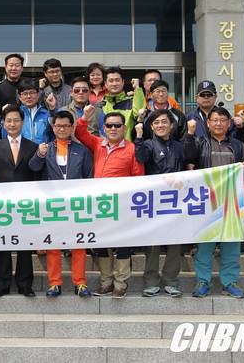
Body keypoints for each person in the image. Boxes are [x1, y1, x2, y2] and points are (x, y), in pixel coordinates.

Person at [75, 106, 145, 298]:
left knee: (123, 246)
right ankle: (106, 282)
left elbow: (139, 178)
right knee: (100, 244)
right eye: (109, 125)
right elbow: (80, 133)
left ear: (124, 128)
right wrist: (85, 117)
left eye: (117, 125)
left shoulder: (132, 149)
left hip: (123, 206)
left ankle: (120, 284)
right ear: (104, 128)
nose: (113, 129)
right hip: (100, 205)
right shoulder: (98, 144)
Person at [183, 107, 244, 299]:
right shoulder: (200, 142)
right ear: (208, 123)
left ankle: (230, 282)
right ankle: (202, 281)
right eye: (215, 120)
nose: (219, 123)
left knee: (231, 245)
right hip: (206, 203)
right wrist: (189, 134)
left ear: (229, 123)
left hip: (232, 202)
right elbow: (188, 157)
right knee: (205, 245)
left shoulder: (238, 145)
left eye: (223, 120)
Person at [29, 110, 94, 298]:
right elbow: (33, 167)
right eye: (58, 126)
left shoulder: (82, 150)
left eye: (66, 126)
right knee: (53, 244)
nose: (62, 129)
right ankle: (54, 283)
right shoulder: (46, 148)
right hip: (53, 205)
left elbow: (89, 177)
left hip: (76, 204)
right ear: (53, 127)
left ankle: (80, 282)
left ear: (72, 127)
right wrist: (39, 155)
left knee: (79, 244)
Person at [0, 105, 39, 297]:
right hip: (2, 204)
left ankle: (25, 285)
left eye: (16, 120)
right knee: (3, 245)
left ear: (22, 122)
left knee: (25, 246)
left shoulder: (33, 146)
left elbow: (36, 173)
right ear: (3, 123)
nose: (12, 124)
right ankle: (2, 285)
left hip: (25, 203)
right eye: (9, 121)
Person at [134, 109, 185, 298]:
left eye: (164, 122)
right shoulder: (147, 144)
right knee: (153, 244)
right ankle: (151, 281)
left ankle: (171, 281)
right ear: (151, 126)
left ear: (172, 125)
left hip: (176, 200)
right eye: (156, 123)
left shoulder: (179, 146)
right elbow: (140, 158)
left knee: (175, 242)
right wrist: (139, 137)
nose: (160, 125)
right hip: (154, 201)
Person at [99, 66, 146, 141]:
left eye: (117, 80)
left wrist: (137, 88)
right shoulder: (101, 105)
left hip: (127, 146)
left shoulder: (131, 101)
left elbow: (139, 113)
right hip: (105, 147)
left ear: (123, 82)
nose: (114, 84)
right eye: (111, 81)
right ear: (105, 84)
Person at [63, 76, 104, 142]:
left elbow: (104, 136)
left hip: (92, 147)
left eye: (84, 90)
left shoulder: (99, 112)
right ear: (71, 93)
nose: (81, 92)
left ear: (90, 92)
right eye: (77, 90)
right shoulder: (63, 111)